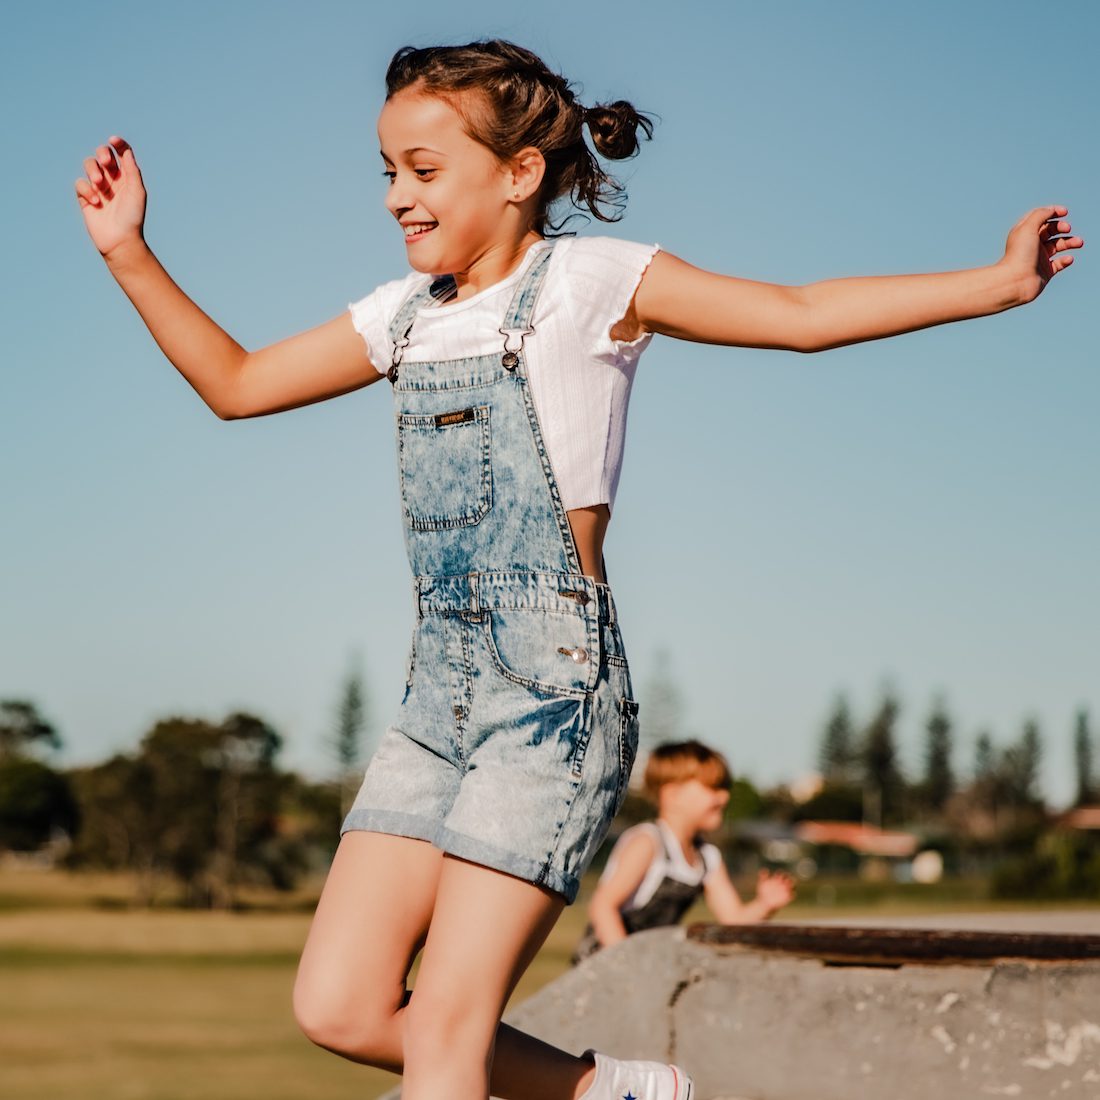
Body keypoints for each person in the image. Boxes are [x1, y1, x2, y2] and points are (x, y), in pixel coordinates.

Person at [74, 36, 1082, 1100]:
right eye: (386, 172)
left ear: (518, 174)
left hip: (551, 692)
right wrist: (126, 250)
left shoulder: (590, 280)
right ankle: (607, 1091)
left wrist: (997, 284)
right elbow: (235, 383)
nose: (394, 199)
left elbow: (796, 316)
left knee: (450, 1039)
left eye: (422, 170)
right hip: (436, 693)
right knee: (340, 1003)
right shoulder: (401, 316)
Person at [572, 740, 796, 965]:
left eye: (724, 788)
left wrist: (764, 905)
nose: (724, 797)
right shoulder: (648, 842)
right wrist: (628, 965)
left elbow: (733, 919)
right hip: (605, 965)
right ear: (673, 794)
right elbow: (603, 906)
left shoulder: (707, 857)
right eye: (713, 788)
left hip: (649, 966)